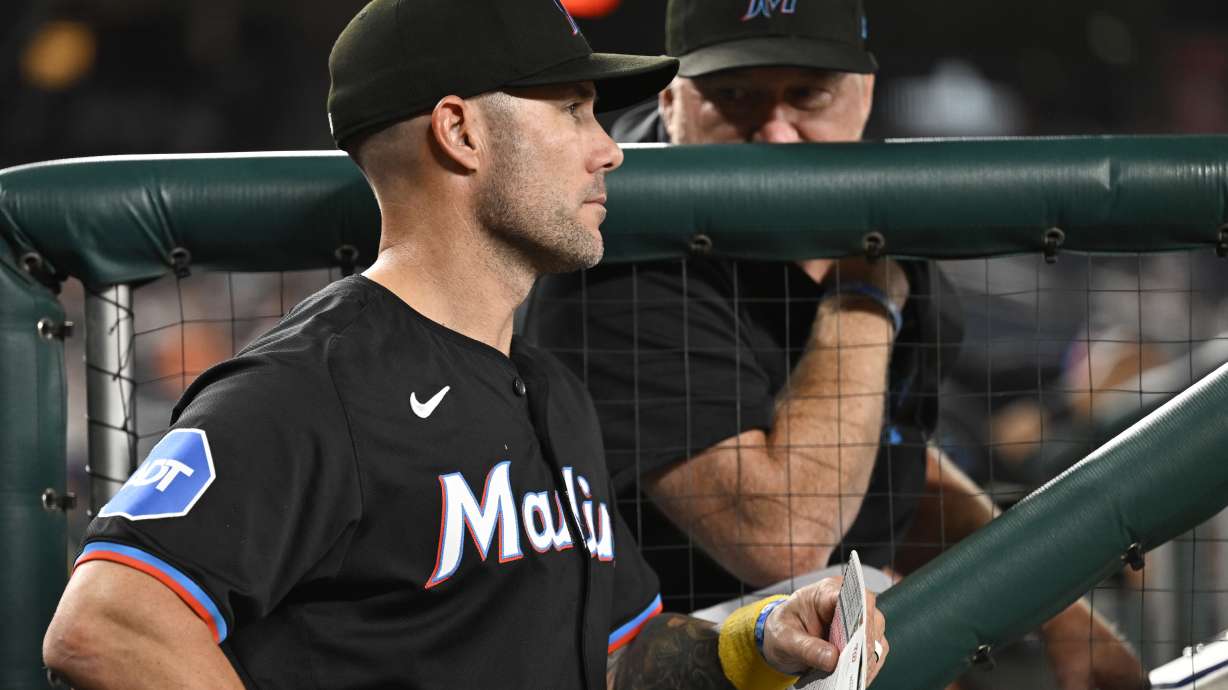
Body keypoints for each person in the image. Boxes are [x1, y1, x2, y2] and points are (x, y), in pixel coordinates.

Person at [41, 1, 889, 689]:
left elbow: (621, 658)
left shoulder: (549, 389)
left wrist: (765, 637)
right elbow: (107, 623)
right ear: (461, 132)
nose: (608, 150)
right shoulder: (312, 381)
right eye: (572, 111)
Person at [526, 0, 1144, 688]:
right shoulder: (617, 249)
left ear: (863, 96)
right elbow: (783, 535)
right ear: (672, 98)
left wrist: (1061, 615)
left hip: (773, 638)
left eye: (807, 95)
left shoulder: (875, 213)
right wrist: (864, 297)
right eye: (734, 96)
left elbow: (893, 464)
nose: (778, 133)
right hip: (626, 658)